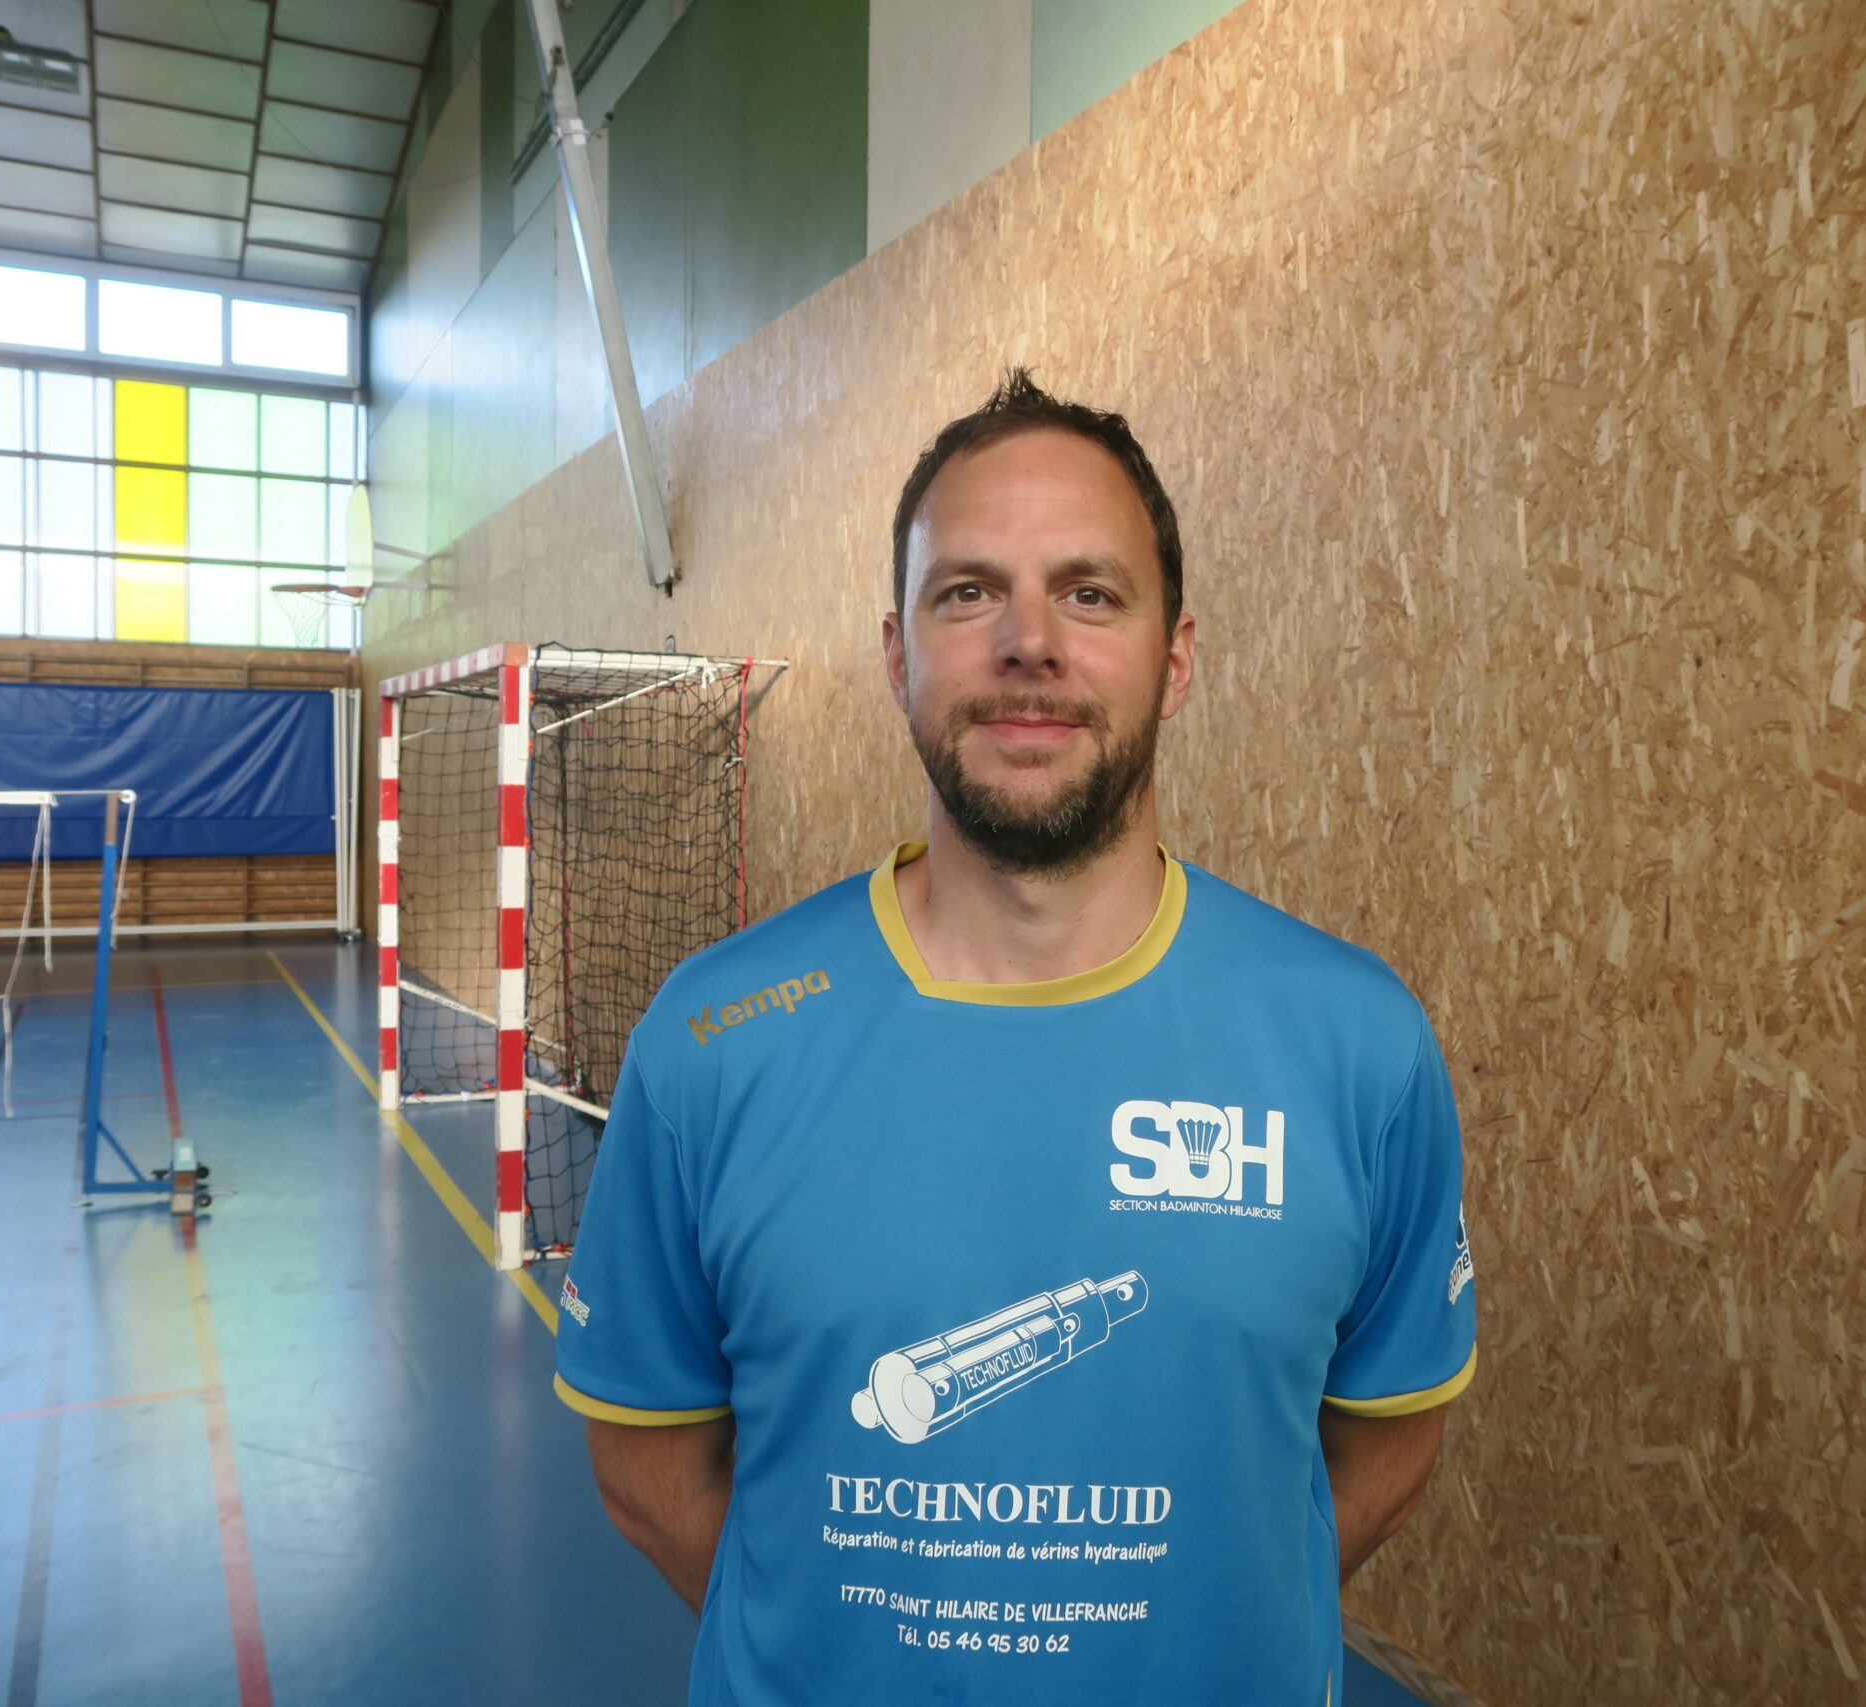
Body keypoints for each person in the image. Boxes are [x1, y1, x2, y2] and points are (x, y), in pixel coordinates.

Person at [554, 370, 1478, 1704]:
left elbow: (1390, 1443)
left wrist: (1194, 1635)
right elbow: (650, 1472)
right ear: (898, 655)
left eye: (1089, 594)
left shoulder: (1356, 1046)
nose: (1028, 642)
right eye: (969, 592)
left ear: (1177, 656)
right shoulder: (713, 1042)